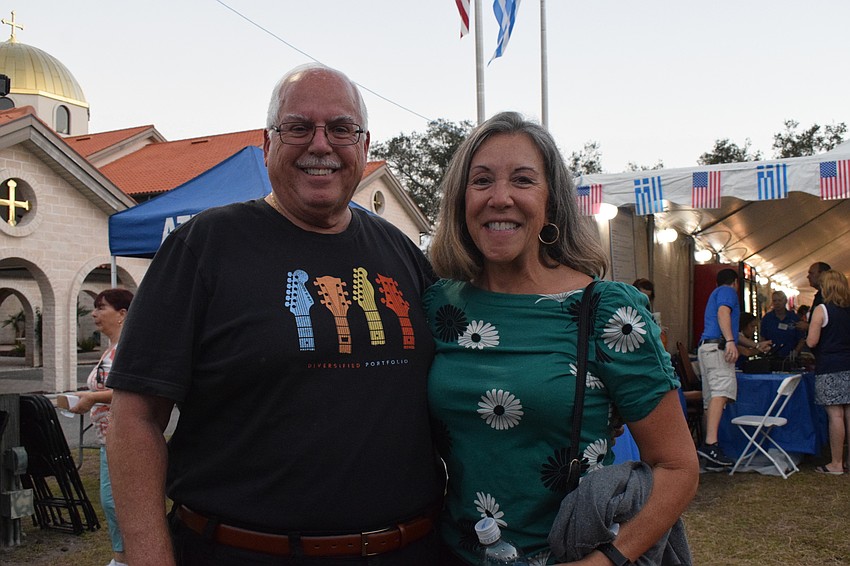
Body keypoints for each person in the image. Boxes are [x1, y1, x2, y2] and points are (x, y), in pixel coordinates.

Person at [106, 64, 444, 566]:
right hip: (243, 552)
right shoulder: (204, 247)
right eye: (298, 127)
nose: (320, 144)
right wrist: (149, 555)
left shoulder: (402, 253)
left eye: (340, 128)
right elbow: (134, 418)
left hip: (409, 549)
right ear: (268, 144)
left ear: (365, 145)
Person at [425, 111, 699, 565]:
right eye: (482, 181)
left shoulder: (609, 311)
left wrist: (608, 559)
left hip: (571, 554)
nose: (500, 198)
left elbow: (679, 467)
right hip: (451, 555)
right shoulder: (439, 307)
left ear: (551, 202)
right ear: (461, 199)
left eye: (523, 180)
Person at [68, 288, 134, 566]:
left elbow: (129, 390)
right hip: (107, 438)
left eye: (101, 308)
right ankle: (122, 556)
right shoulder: (109, 349)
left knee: (115, 500)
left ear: (122, 314)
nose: (94, 314)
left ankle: (127, 558)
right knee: (111, 501)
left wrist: (93, 397)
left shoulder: (129, 348)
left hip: (124, 437)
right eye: (94, 308)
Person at [805, 270, 850, 475]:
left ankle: (836, 463)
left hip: (830, 366)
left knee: (835, 415)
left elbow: (812, 341)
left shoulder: (822, 310)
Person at [696, 268, 740, 469]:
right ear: (736, 282)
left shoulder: (715, 293)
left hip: (707, 348)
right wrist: (730, 340)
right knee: (720, 393)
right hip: (718, 348)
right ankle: (711, 445)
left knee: (710, 400)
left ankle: (709, 454)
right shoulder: (728, 291)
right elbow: (724, 312)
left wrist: (753, 345)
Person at [760, 290, 803, 359]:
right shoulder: (767, 318)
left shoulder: (793, 318)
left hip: (790, 357)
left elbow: (801, 339)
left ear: (785, 301)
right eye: (774, 301)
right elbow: (763, 337)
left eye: (779, 300)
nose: (777, 303)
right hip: (771, 356)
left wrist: (796, 352)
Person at [632, 278, 667, 349]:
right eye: (642, 296)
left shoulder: (647, 309)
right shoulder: (628, 309)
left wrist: (657, 328)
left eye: (648, 297)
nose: (645, 300)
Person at [797, 261, 831, 332]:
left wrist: (809, 327)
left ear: (822, 274)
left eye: (811, 273)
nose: (808, 276)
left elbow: (831, 325)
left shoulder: (830, 296)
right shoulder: (819, 295)